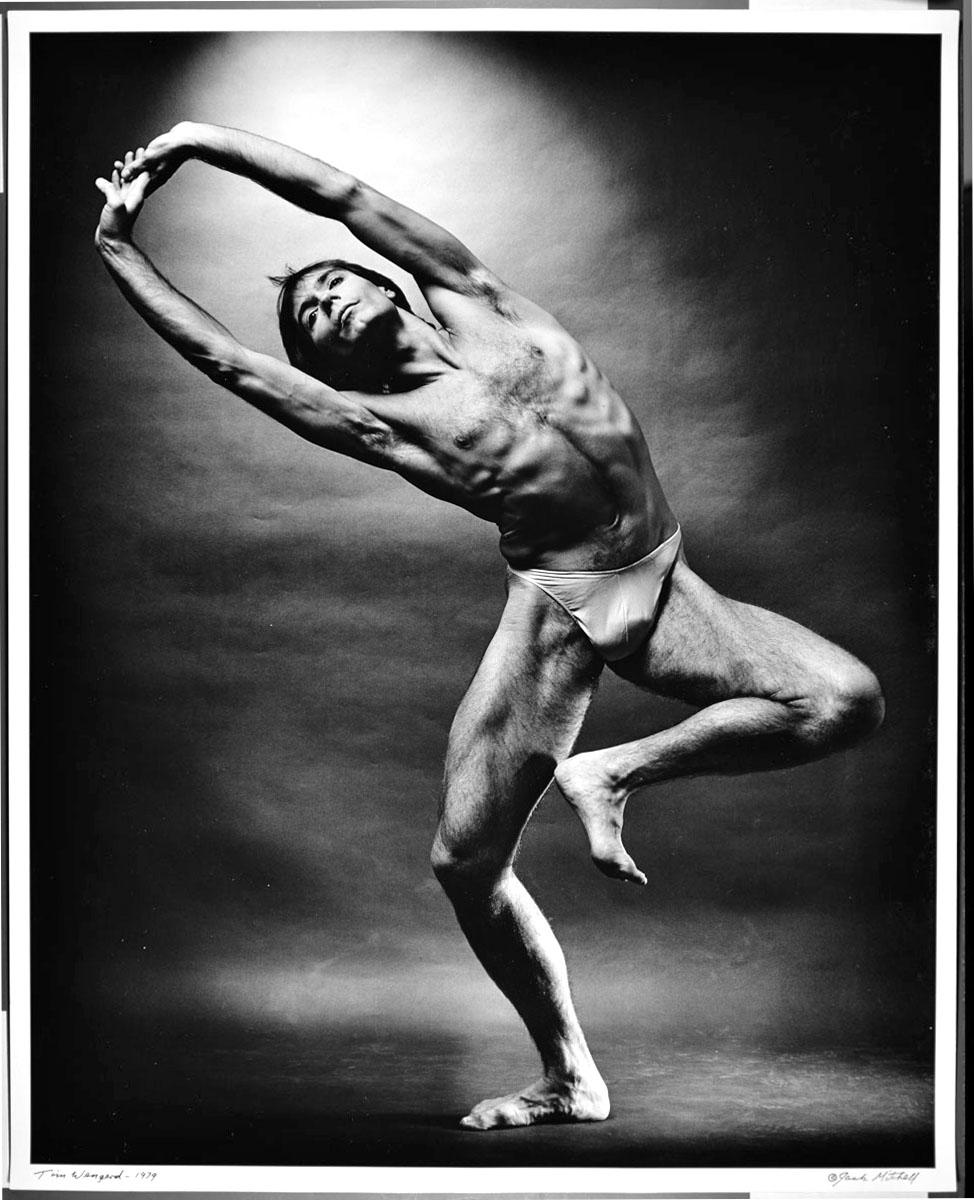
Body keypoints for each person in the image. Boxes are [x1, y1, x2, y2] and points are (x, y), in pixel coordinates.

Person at [95, 122, 885, 1131]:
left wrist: (201, 140)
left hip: (659, 569)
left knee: (839, 701)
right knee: (463, 863)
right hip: (566, 600)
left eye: (333, 285)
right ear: (326, 360)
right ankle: (568, 1077)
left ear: (385, 282)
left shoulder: (473, 293)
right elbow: (232, 364)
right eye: (309, 319)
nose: (327, 305)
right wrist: (119, 247)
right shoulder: (387, 424)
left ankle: (612, 771)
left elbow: (339, 192)